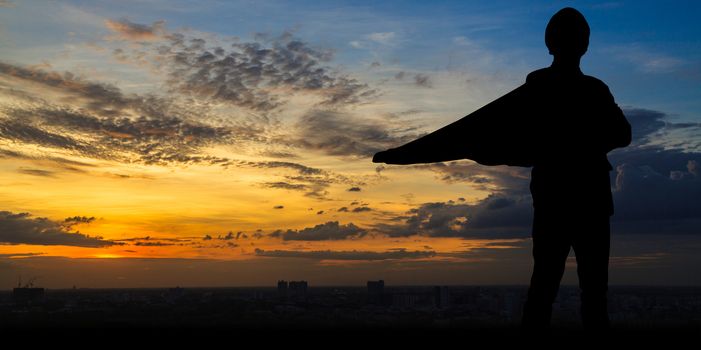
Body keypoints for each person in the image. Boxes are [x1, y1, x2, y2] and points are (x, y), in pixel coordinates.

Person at [372, 7, 631, 331]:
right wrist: (407, 153)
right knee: (570, 290)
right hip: (576, 199)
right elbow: (476, 127)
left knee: (561, 289)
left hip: (569, 199)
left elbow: (622, 134)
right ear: (585, 45)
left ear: (551, 44)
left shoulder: (582, 89)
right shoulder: (584, 89)